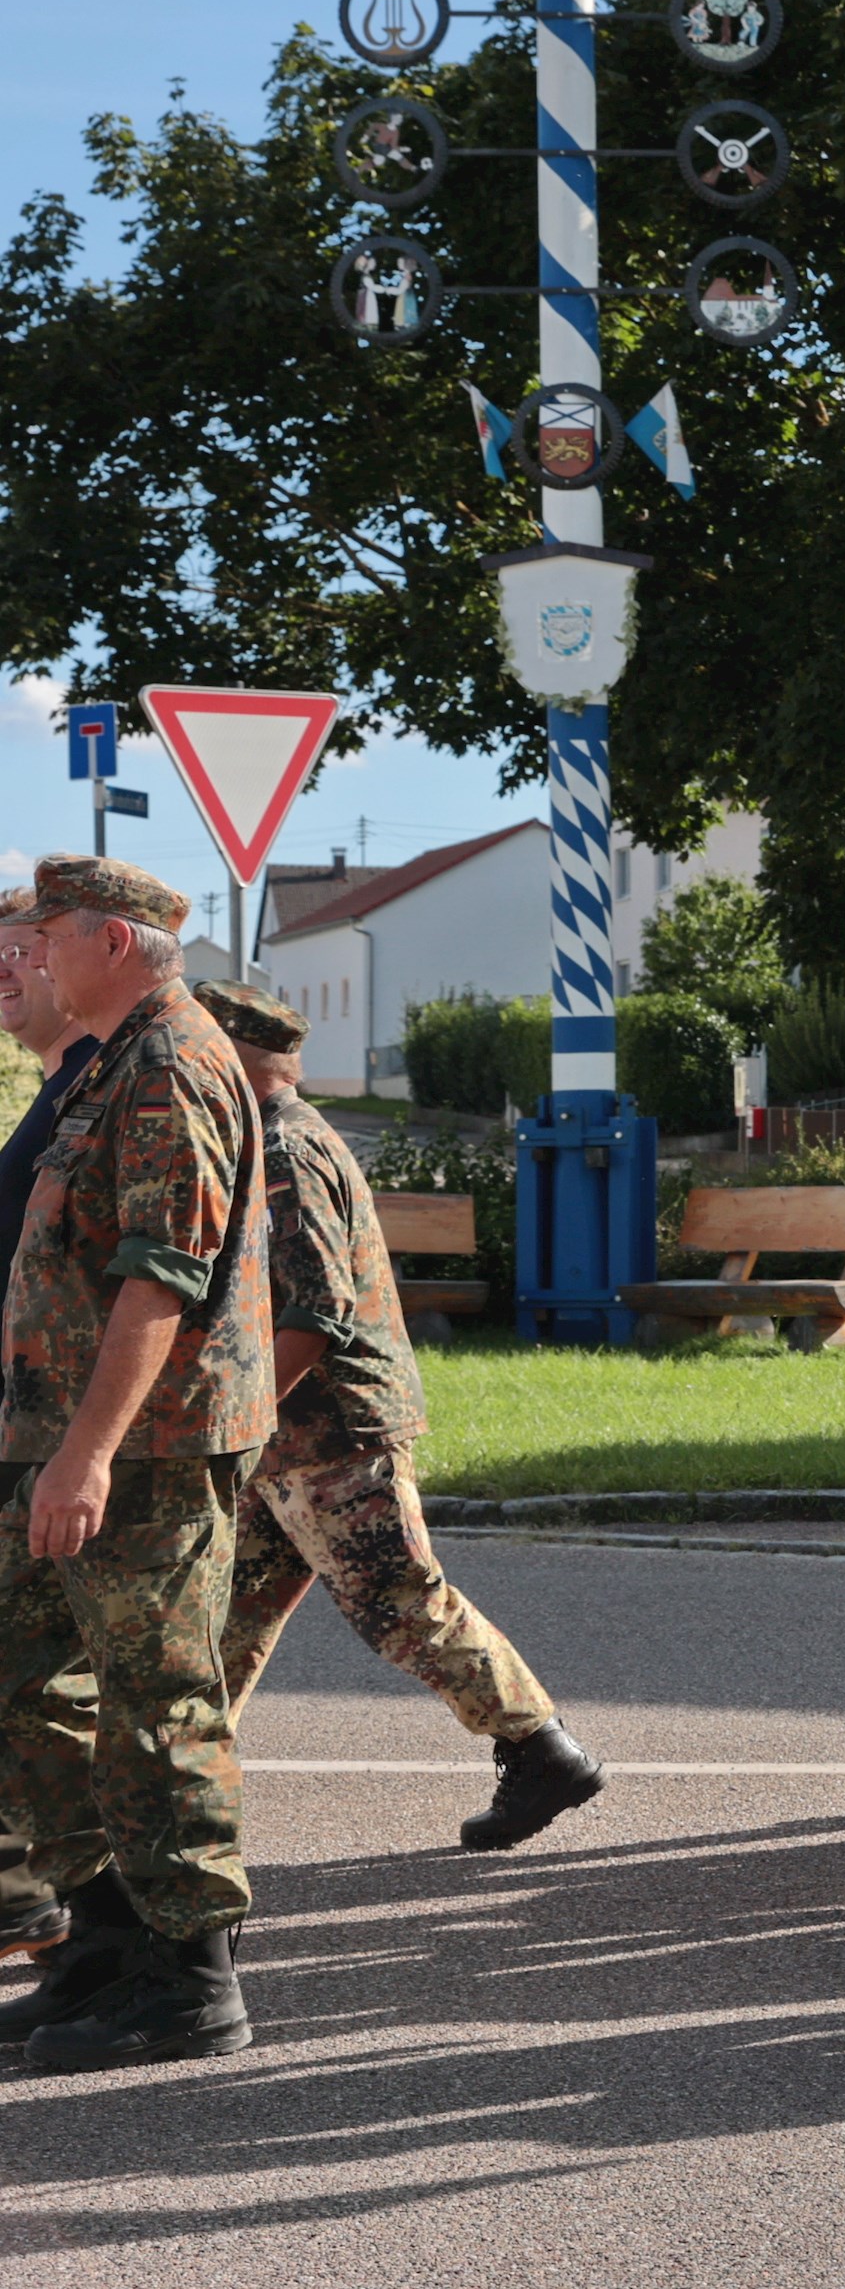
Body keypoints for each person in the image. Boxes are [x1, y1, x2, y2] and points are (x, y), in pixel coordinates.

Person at [194, 984, 604, 1849]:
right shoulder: (260, 1141)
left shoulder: (287, 1151)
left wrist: (241, 1413)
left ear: (238, 1054)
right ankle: (165, 1788)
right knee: (212, 1622)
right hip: (282, 1445)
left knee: (402, 1605)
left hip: (330, 1436)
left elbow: (314, 1310)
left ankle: (541, 1747)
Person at [0, 858, 272, 2070]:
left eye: (45, 930)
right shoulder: (108, 1058)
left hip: (142, 1450)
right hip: (56, 1436)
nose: (30, 952)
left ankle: (191, 1977)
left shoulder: (170, 1061)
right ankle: (106, 1937)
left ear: (112, 938)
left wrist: (87, 1453)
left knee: (157, 1703)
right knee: (28, 1681)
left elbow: (162, 1276)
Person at [0, 890, 104, 1965]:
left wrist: (84, 1449)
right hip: (29, 1422)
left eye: (22, 952)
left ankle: (99, 1932)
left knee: (46, 1680)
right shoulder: (57, 1091)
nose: (4, 973)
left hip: (62, 1430)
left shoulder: (105, 1088)